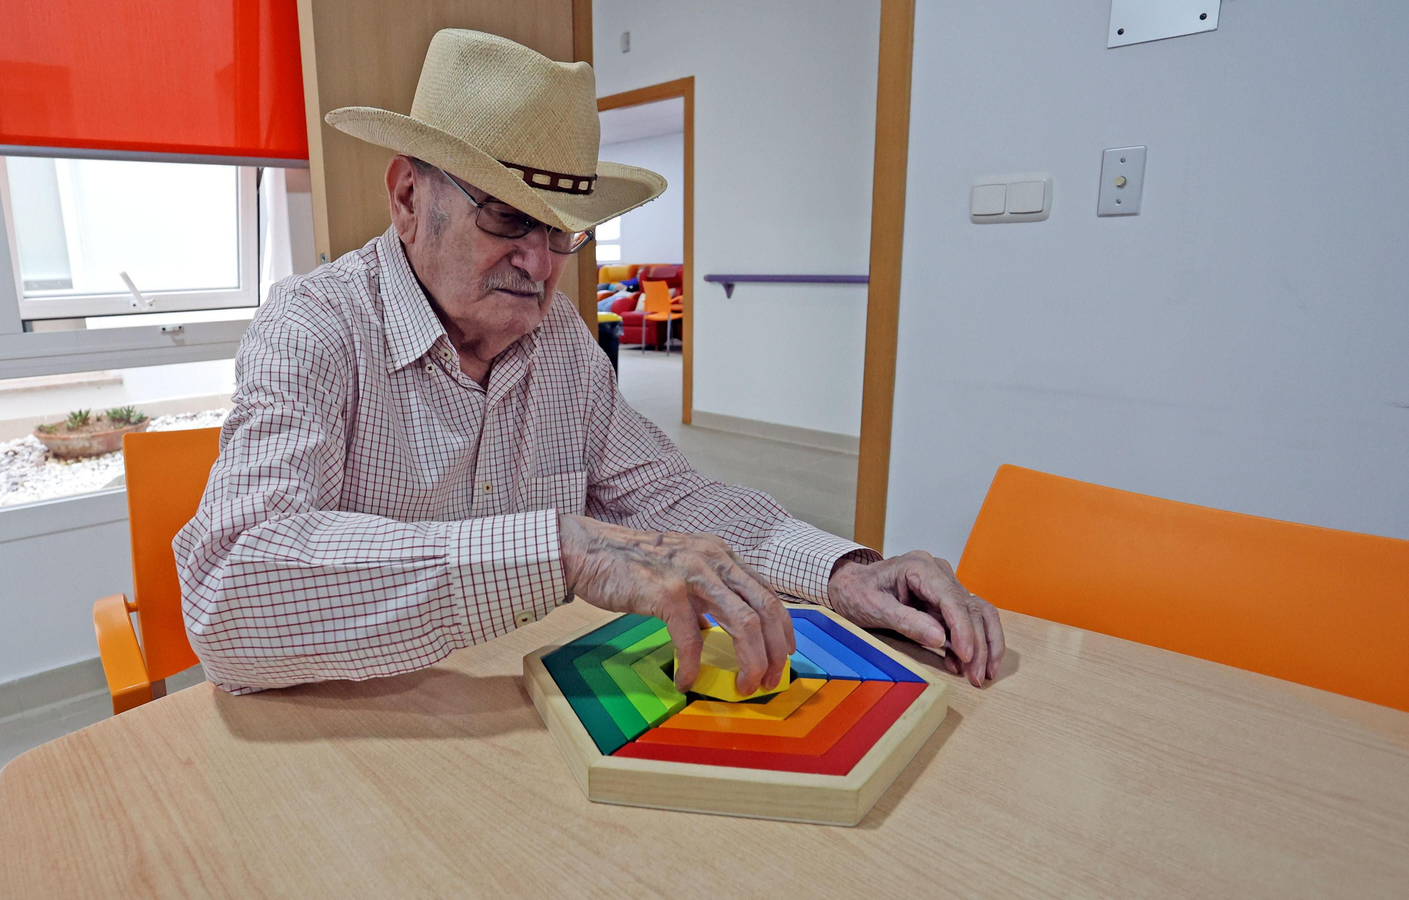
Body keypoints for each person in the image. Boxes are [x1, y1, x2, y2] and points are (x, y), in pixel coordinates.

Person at [174, 29, 1004, 698]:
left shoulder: (560, 341)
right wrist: (565, 550)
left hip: (514, 710)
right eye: (507, 217)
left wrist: (845, 572)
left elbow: (670, 498)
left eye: (562, 231)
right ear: (406, 197)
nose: (540, 264)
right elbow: (225, 592)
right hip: (343, 731)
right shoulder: (313, 326)